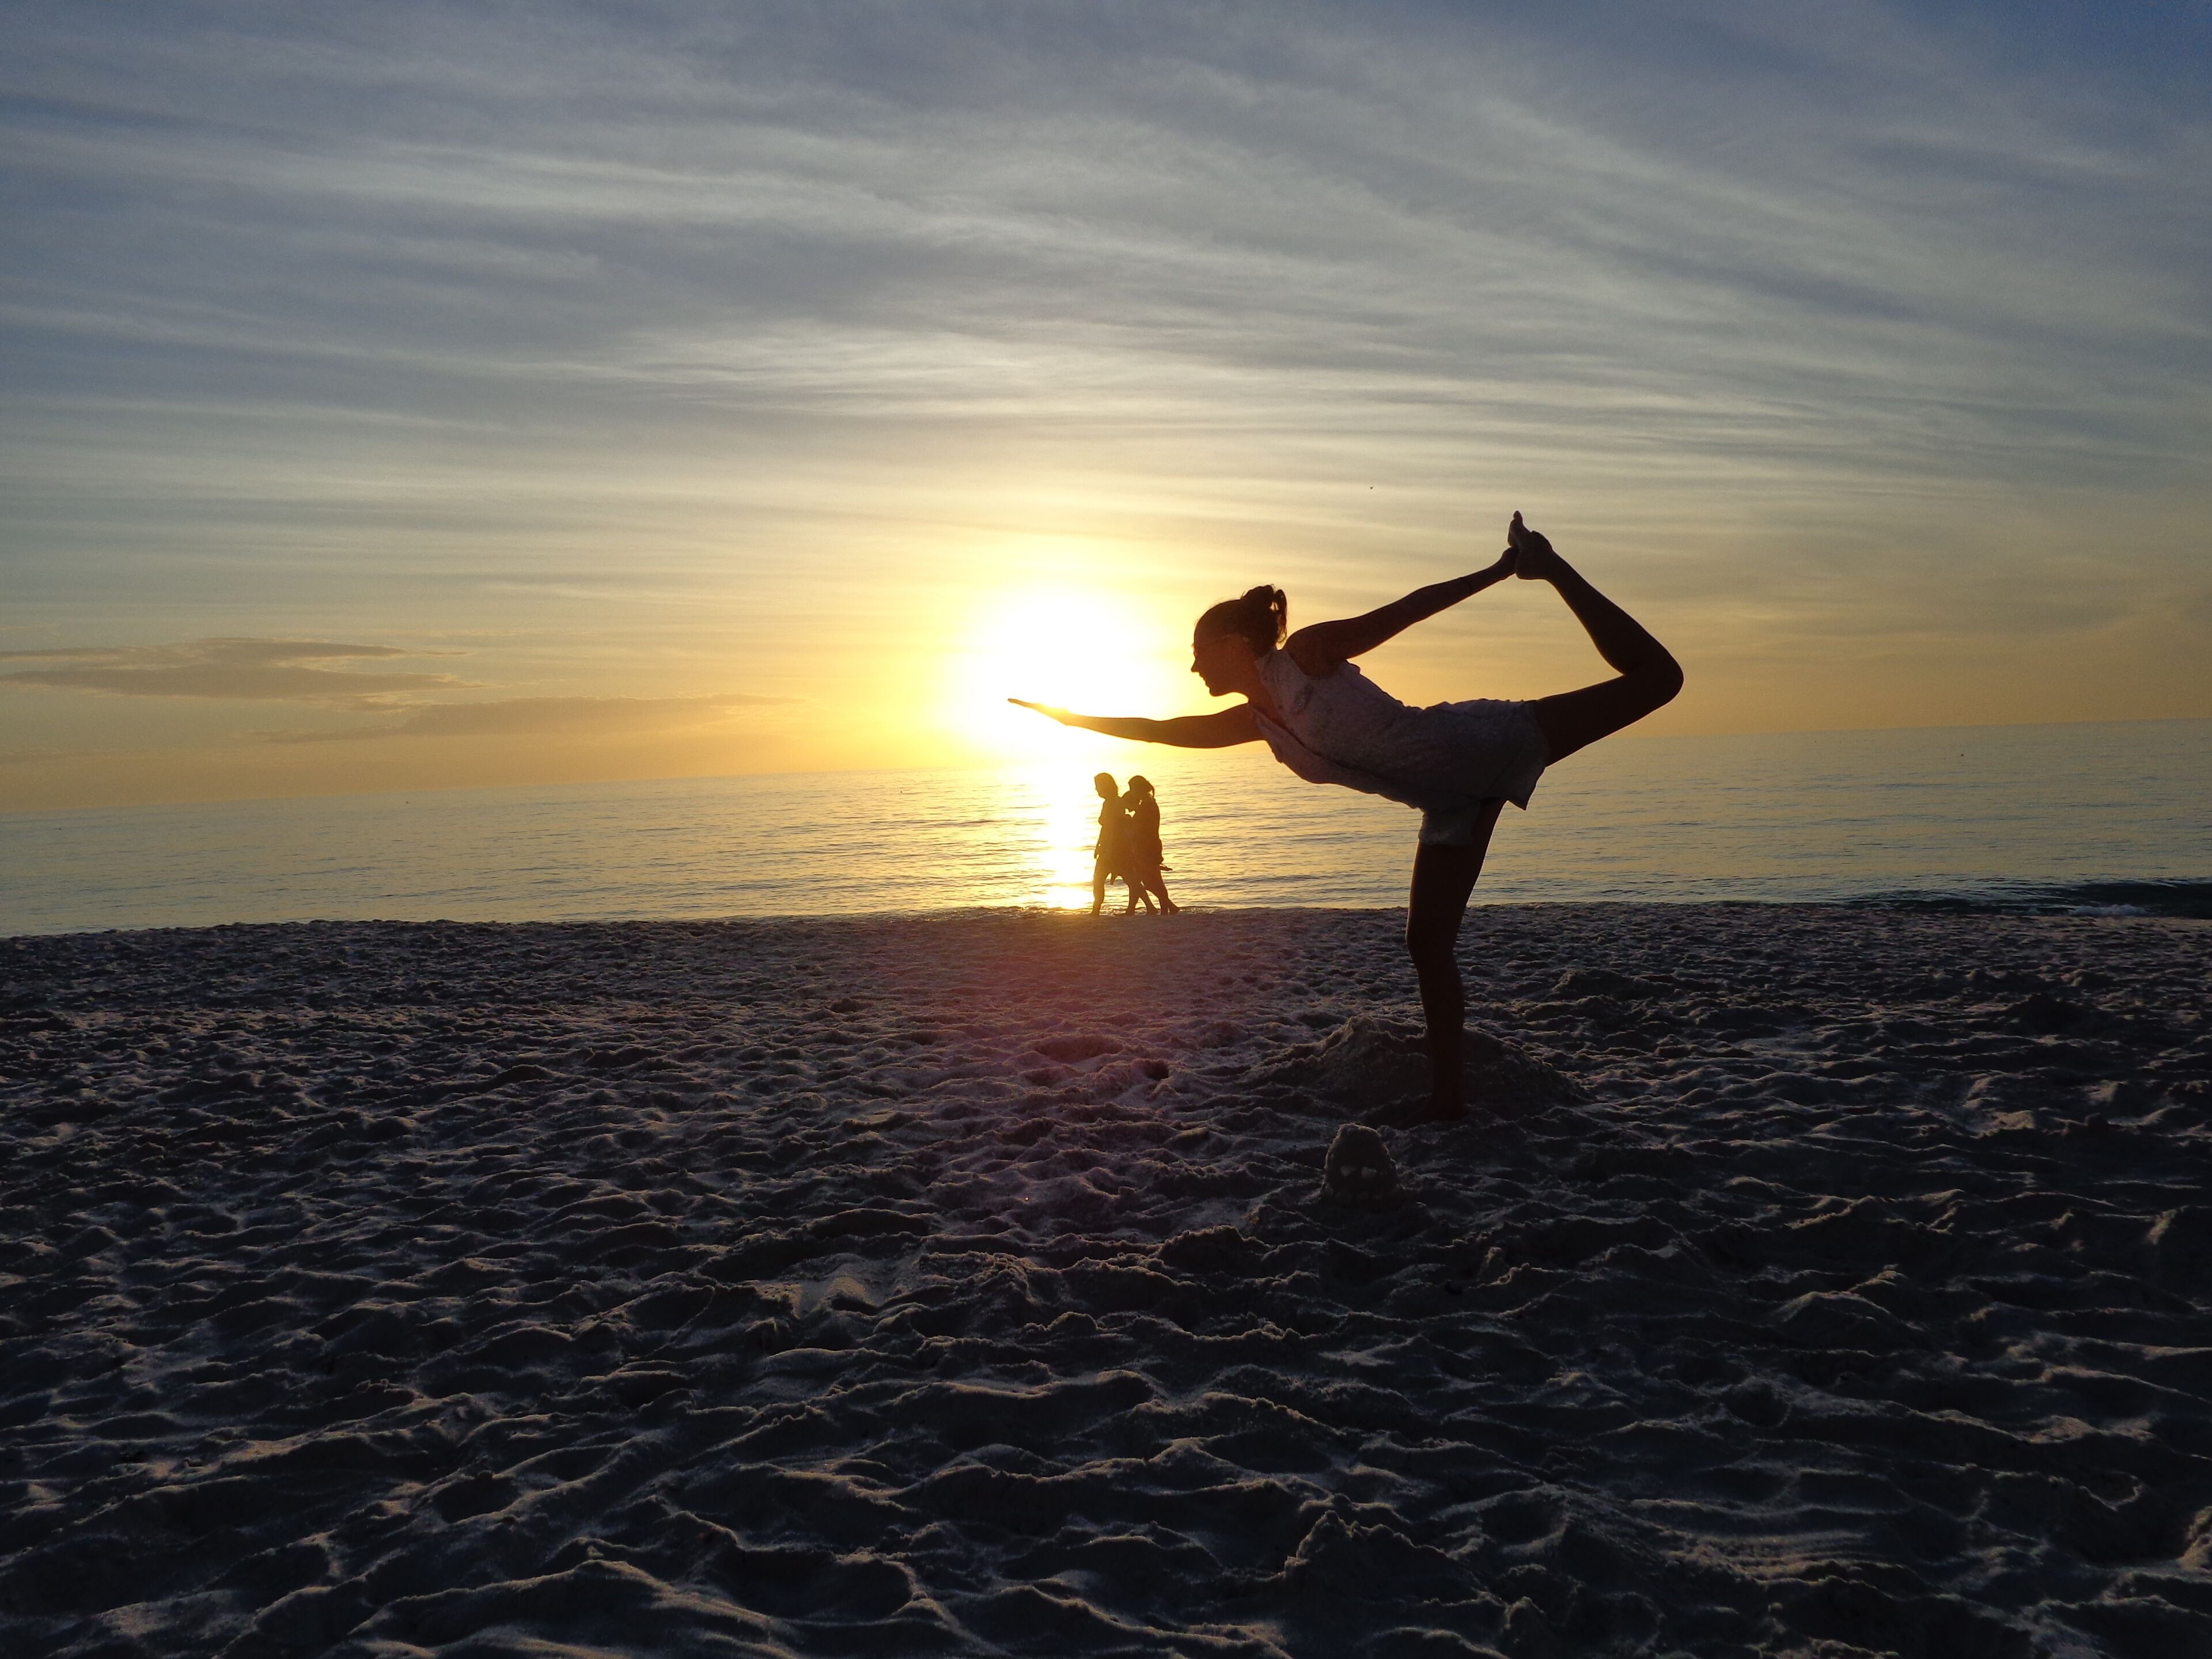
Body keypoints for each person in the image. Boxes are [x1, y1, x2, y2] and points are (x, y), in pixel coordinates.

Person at [1014, 513, 1681, 1122]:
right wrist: (1071, 718)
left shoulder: (1306, 656)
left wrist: (1503, 571)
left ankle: (1553, 567)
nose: (1191, 665)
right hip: (1450, 803)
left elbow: (1405, 611)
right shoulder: (1259, 723)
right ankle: (1448, 1099)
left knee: (1659, 680)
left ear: (1231, 641)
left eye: (1198, 649)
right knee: (1426, 945)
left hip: (1483, 742)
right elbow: (1163, 730)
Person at [1121, 775, 1179, 915]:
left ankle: (1167, 908)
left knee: (1151, 882)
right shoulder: (1148, 803)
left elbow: (1140, 829)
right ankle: (1166, 908)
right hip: (1149, 846)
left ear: (1137, 789)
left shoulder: (1146, 805)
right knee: (1139, 880)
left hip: (1148, 847)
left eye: (1131, 788)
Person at [1089, 773, 1143, 916]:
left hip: (1114, 848)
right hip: (1116, 847)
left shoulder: (1111, 803)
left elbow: (1111, 828)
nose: (1096, 790)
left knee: (1100, 880)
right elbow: (1106, 828)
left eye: (1098, 786)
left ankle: (1096, 911)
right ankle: (1141, 907)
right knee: (1130, 879)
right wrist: (1099, 846)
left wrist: (1106, 851)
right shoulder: (1115, 802)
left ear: (1105, 786)